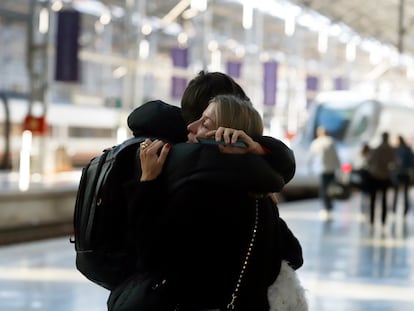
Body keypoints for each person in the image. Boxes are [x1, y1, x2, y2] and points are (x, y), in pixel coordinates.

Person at [110, 95, 304, 311]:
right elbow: (294, 254)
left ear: (224, 136)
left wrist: (147, 181)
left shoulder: (198, 193)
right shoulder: (262, 200)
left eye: (205, 124)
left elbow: (149, 257)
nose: (190, 127)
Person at [308, 126, 340, 220]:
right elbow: (336, 157)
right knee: (331, 189)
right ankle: (330, 208)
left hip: (323, 170)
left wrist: (309, 168)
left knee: (324, 189)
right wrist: (339, 168)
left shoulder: (317, 143)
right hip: (332, 169)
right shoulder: (332, 142)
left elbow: (310, 156)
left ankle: (326, 209)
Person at [366, 132, 397, 226]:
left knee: (373, 199)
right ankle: (383, 220)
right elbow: (394, 163)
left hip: (375, 176)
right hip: (385, 177)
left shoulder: (376, 149)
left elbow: (369, 161)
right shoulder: (391, 150)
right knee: (384, 199)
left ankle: (372, 219)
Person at [392, 135, 414, 216]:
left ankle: (394, 209)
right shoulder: (408, 150)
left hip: (398, 174)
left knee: (396, 192)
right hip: (406, 174)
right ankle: (405, 209)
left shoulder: (397, 150)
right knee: (405, 193)